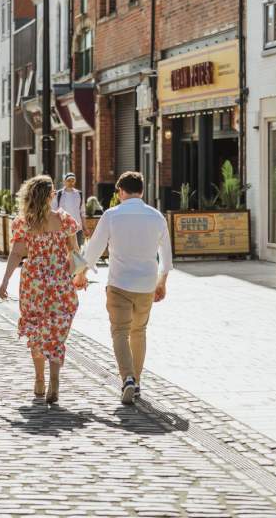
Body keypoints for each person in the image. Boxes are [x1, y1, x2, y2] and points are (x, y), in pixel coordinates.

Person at [83, 171, 172, 405]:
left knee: (120, 331)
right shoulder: (156, 217)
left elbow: (94, 248)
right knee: (139, 332)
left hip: (119, 283)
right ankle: (138, 382)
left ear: (121, 191)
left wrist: (81, 273)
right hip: (145, 286)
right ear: (142, 191)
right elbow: (166, 255)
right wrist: (162, 281)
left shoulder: (112, 215)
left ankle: (128, 379)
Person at [0, 175, 84, 404]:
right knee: (56, 331)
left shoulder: (23, 222)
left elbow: (16, 254)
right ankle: (54, 381)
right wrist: (79, 275)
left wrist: (5, 280)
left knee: (36, 328)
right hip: (59, 282)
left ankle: (39, 379)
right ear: (50, 196)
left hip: (33, 283)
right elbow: (74, 253)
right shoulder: (64, 220)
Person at [52, 172, 87, 248]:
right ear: (64, 181)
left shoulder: (79, 194)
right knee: (64, 249)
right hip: (62, 227)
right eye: (68, 180)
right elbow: (54, 211)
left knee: (77, 250)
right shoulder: (58, 194)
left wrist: (85, 227)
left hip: (77, 228)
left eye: (73, 180)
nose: (71, 182)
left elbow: (82, 212)